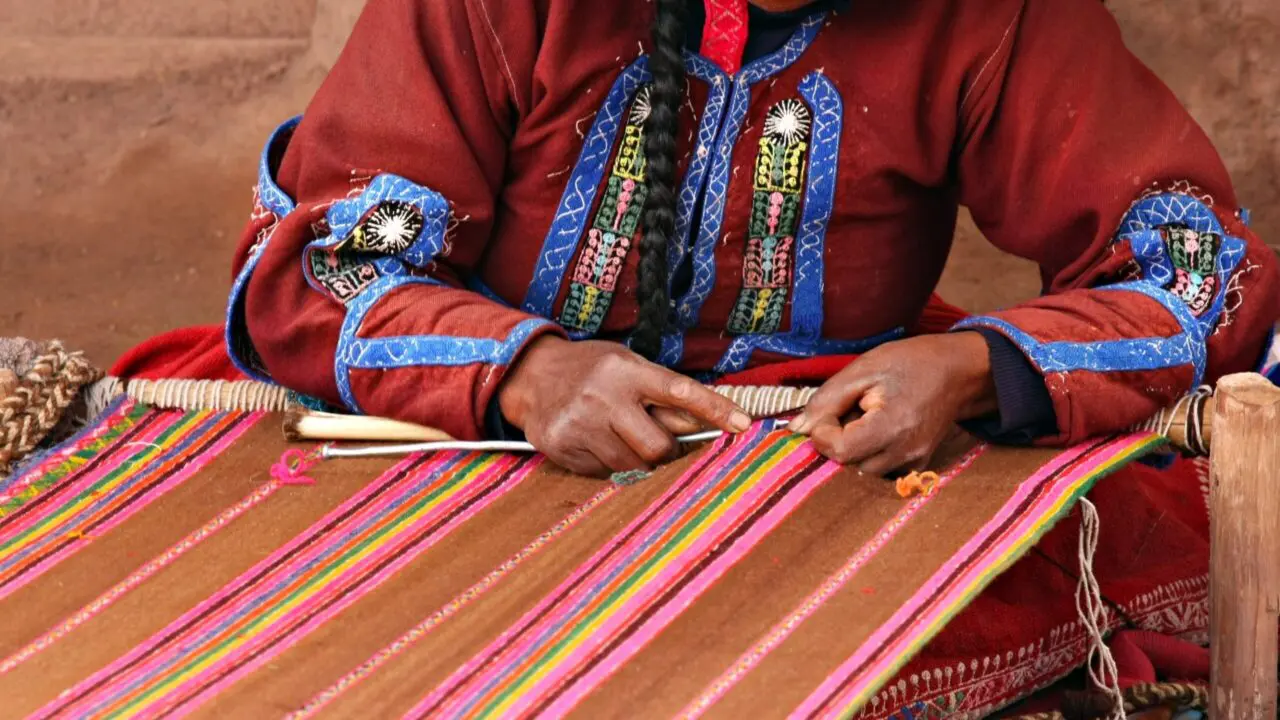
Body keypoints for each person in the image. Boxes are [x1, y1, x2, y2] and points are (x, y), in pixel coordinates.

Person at [209, 0, 1278, 713]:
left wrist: (970, 366)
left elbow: (1192, 264)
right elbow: (324, 264)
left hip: (820, 480)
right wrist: (526, 371)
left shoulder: (989, 14)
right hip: (456, 447)